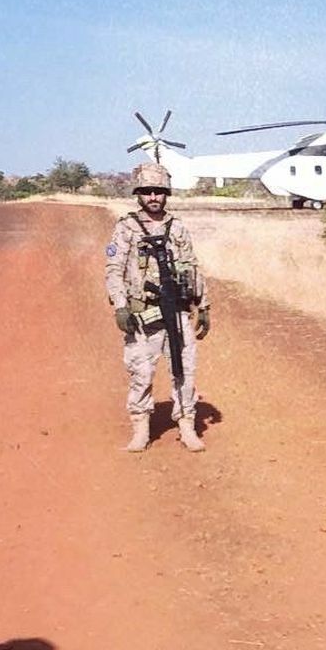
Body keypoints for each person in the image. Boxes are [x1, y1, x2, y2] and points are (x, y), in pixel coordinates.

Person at [103, 163, 210, 453]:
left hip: (176, 312)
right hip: (143, 314)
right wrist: (121, 306)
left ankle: (187, 424)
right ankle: (141, 428)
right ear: (138, 194)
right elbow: (114, 269)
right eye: (148, 192)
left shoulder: (177, 228)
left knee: (184, 369)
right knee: (141, 372)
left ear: (166, 194)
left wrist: (204, 304)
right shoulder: (125, 228)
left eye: (159, 192)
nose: (153, 197)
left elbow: (192, 266)